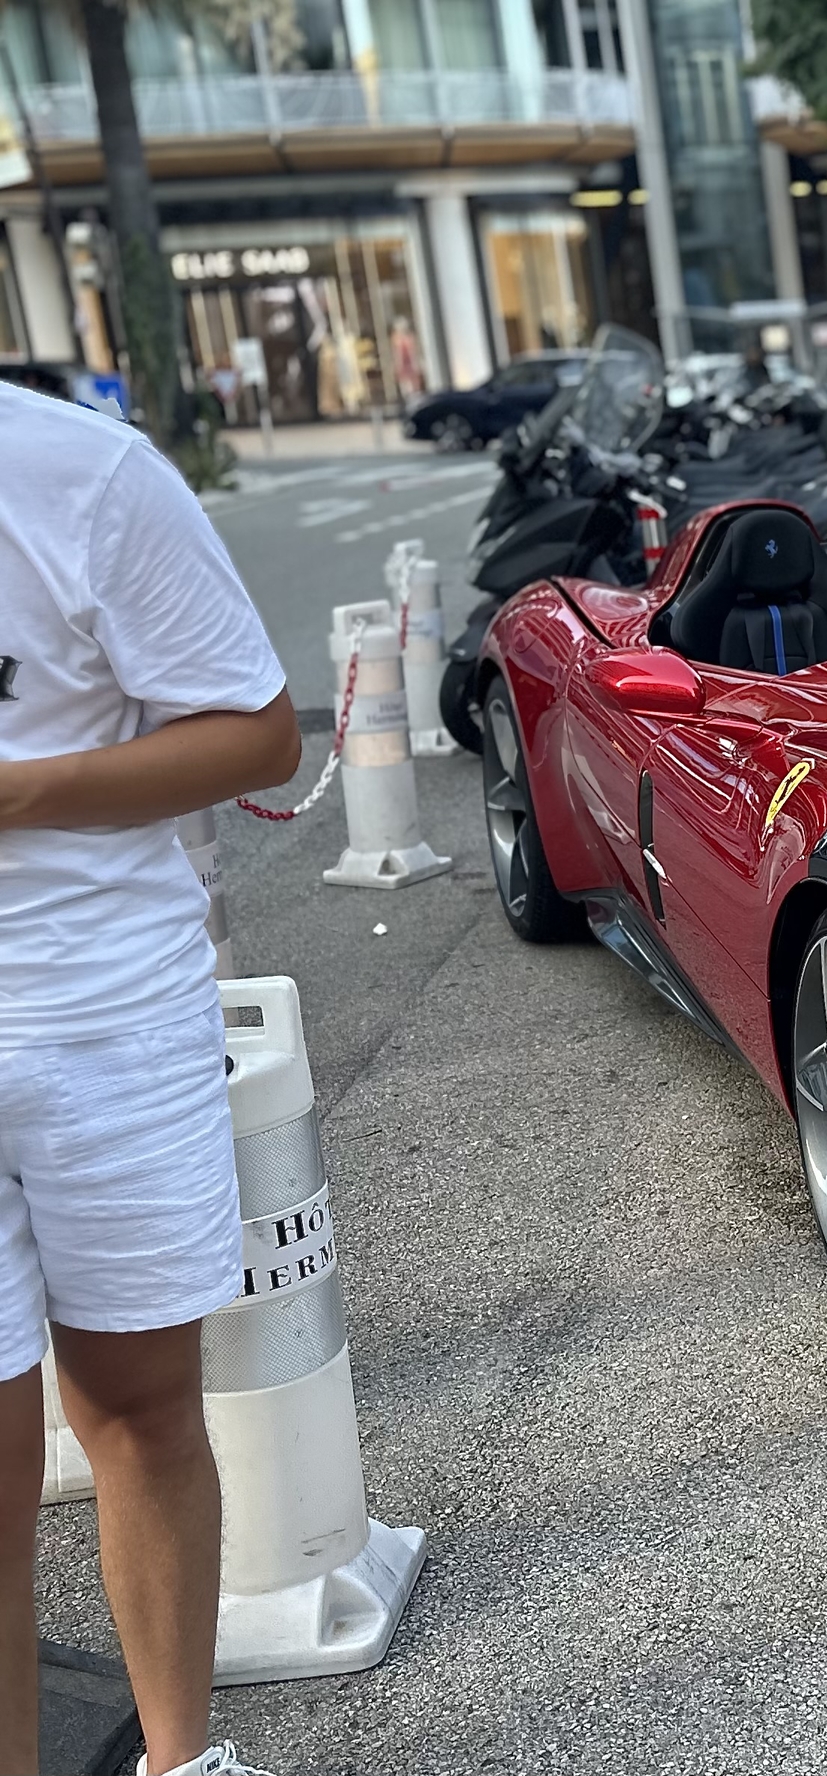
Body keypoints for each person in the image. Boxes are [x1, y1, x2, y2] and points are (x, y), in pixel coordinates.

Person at [0, 380, 304, 1776]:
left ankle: (182, 1760)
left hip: (100, 1016)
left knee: (135, 1408)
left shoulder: (83, 474)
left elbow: (254, 733)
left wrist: (19, 791)